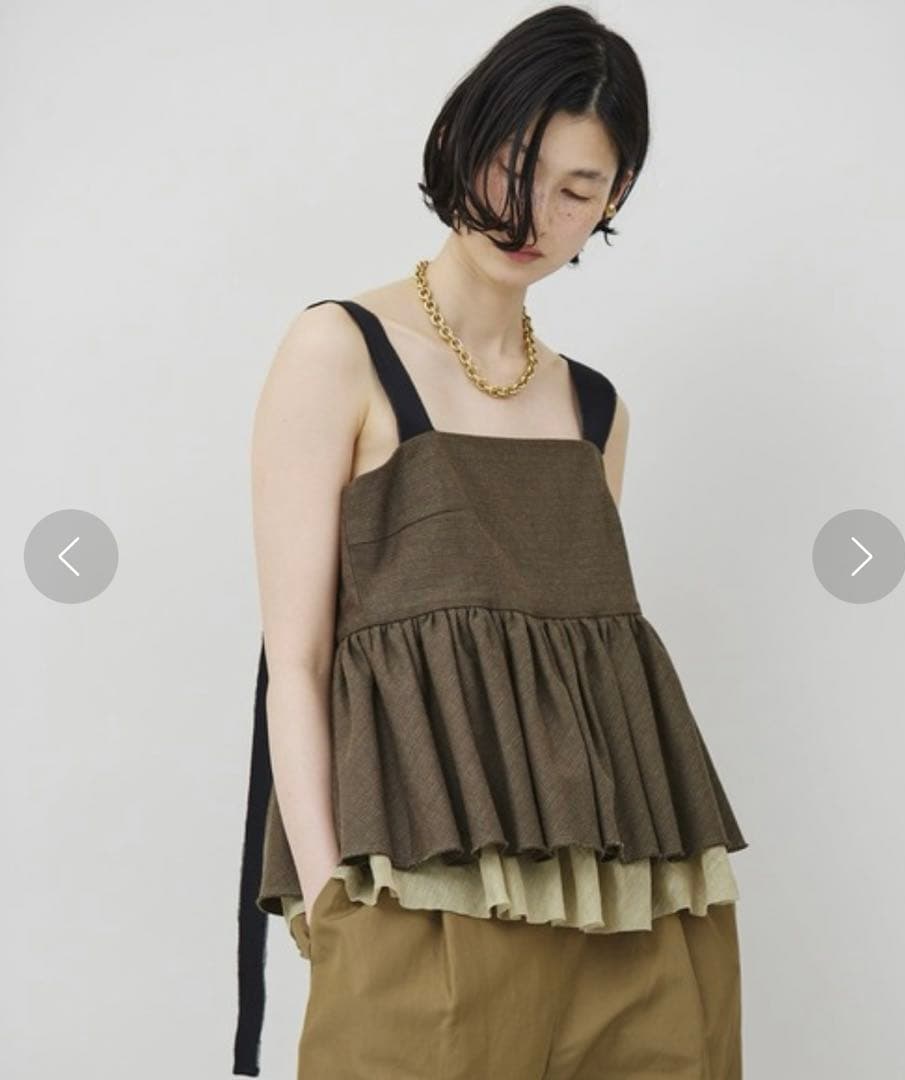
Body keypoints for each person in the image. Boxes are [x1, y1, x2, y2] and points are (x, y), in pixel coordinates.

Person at [233, 6, 748, 1078]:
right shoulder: (341, 350)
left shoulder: (595, 409)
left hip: (634, 900)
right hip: (416, 888)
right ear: (458, 142)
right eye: (516, 169)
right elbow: (299, 659)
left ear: (614, 199)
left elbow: (582, 668)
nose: (532, 215)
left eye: (577, 190)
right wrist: (331, 905)